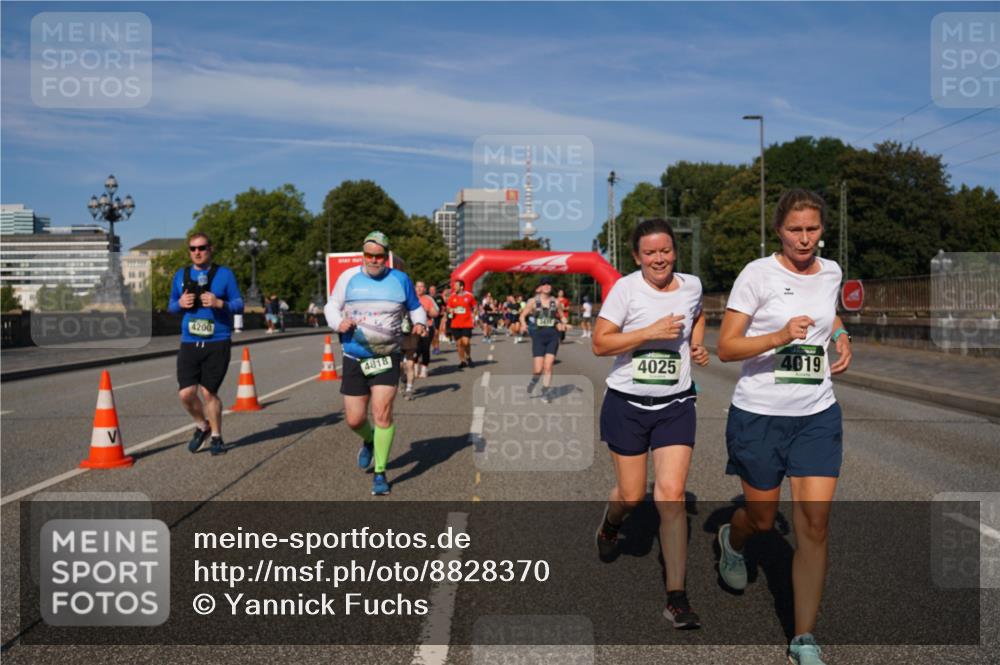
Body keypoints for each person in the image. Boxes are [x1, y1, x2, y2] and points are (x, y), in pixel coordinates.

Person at [716, 190, 852, 665]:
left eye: (813, 229)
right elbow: (727, 348)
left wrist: (838, 333)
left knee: (814, 525)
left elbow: (826, 310)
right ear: (779, 230)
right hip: (760, 415)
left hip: (817, 414)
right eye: (795, 229)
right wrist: (777, 336)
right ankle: (733, 542)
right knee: (762, 519)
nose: (804, 238)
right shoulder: (757, 274)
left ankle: (803, 639)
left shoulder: (830, 270)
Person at [591, 218, 710, 630]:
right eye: (649, 253)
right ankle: (610, 524)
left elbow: (700, 313)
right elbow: (600, 342)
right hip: (626, 403)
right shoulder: (626, 289)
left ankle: (676, 597)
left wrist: (696, 342)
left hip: (676, 403)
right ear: (637, 256)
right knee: (630, 495)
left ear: (674, 250)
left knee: (672, 495)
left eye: (665, 251)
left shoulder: (691, 285)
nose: (658, 258)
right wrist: (648, 332)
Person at [324, 231, 428, 496]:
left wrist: (419, 322)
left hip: (386, 355)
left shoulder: (400, 279)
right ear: (363, 255)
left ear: (386, 256)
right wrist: (339, 322)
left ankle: (380, 472)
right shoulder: (348, 278)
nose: (373, 260)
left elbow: (415, 307)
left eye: (379, 256)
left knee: (382, 413)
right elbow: (331, 307)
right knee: (354, 419)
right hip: (355, 356)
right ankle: (369, 440)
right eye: (368, 255)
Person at [168, 232, 244, 457]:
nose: (197, 252)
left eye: (201, 248)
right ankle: (203, 426)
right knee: (186, 394)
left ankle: (217, 437)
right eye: (193, 249)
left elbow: (239, 304)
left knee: (209, 392)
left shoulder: (225, 274)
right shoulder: (180, 275)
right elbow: (171, 306)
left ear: (210, 249)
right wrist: (180, 303)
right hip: (189, 341)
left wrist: (220, 303)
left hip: (218, 340)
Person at [518, 276, 567, 404]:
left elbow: (562, 317)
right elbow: (522, 315)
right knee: (538, 370)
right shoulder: (533, 302)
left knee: (548, 366)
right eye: (544, 284)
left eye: (549, 284)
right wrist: (523, 324)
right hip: (538, 337)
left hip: (552, 336)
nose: (547, 286)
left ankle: (545, 393)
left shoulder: (555, 302)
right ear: (540, 288)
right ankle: (534, 381)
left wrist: (564, 323)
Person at [447, 279, 477, 368]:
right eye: (454, 286)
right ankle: (462, 361)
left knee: (466, 342)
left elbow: (475, 307)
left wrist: (474, 316)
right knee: (459, 343)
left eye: (456, 286)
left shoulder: (469, 296)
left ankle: (468, 357)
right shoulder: (452, 297)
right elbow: (448, 307)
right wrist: (450, 310)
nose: (454, 287)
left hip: (467, 323)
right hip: (455, 323)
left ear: (461, 287)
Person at [414, 281, 439, 380]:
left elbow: (436, 313)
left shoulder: (429, 299)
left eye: (422, 287)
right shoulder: (411, 298)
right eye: (417, 287)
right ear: (415, 288)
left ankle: (424, 369)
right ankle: (415, 369)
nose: (419, 289)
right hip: (414, 328)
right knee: (415, 349)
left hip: (427, 327)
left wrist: (429, 311)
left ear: (425, 289)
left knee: (424, 349)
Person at [429, 284, 446, 355]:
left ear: (435, 291)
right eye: (431, 290)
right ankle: (434, 347)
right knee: (432, 334)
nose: (432, 291)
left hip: (437, 317)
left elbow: (444, 305)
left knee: (436, 333)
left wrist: (443, 311)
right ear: (429, 291)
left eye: (434, 290)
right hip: (429, 317)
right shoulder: (427, 298)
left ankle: (437, 347)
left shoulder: (439, 297)